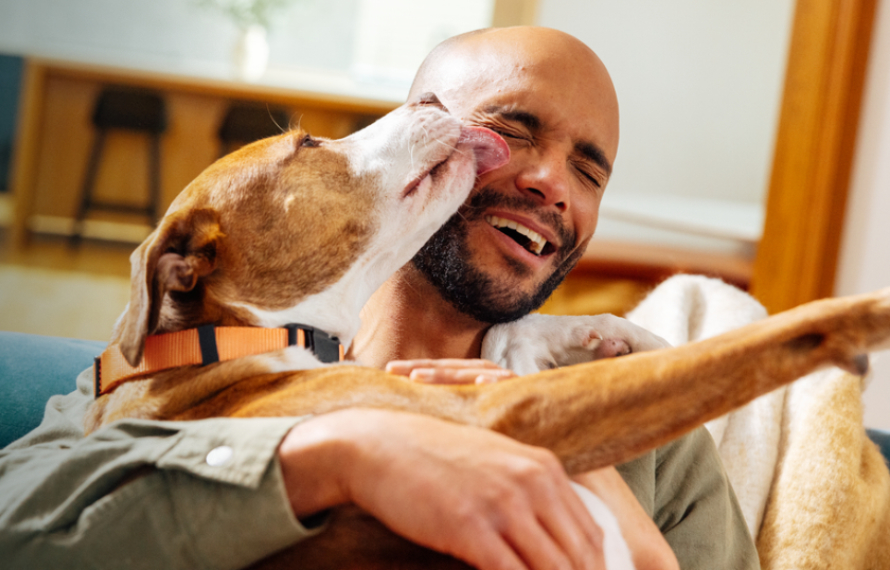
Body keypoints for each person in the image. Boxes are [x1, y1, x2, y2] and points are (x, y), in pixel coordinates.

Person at [0, 27, 757, 570]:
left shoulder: (648, 419)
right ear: (418, 135)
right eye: (510, 130)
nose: (553, 184)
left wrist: (595, 487)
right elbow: (18, 528)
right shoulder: (182, 368)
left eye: (590, 173)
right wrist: (333, 456)